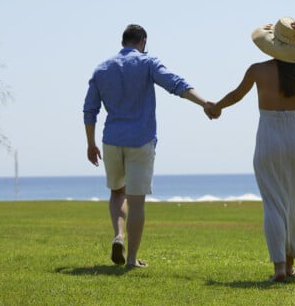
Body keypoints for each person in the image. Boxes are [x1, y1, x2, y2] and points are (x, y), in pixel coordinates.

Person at [206, 17, 295, 282]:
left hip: (269, 136)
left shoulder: (258, 70)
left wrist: (217, 107)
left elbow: (236, 95)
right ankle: (290, 266)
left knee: (274, 204)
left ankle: (280, 268)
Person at [83, 24, 214, 268]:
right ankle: (132, 259)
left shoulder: (102, 69)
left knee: (117, 193)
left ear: (123, 41)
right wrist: (204, 102)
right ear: (142, 41)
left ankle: (118, 235)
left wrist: (90, 144)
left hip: (111, 140)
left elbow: (90, 110)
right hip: (141, 140)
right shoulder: (147, 62)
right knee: (137, 200)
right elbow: (175, 84)